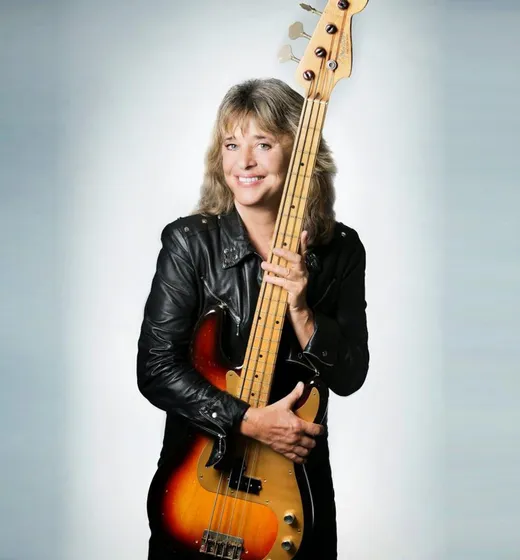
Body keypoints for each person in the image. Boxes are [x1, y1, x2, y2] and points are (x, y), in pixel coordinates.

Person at [137, 77, 369, 559]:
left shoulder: (342, 250)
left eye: (262, 144)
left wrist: (301, 307)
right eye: (231, 145)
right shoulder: (190, 244)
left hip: (295, 489)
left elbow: (349, 376)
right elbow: (155, 369)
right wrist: (248, 420)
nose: (243, 162)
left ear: (300, 155)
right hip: (197, 487)